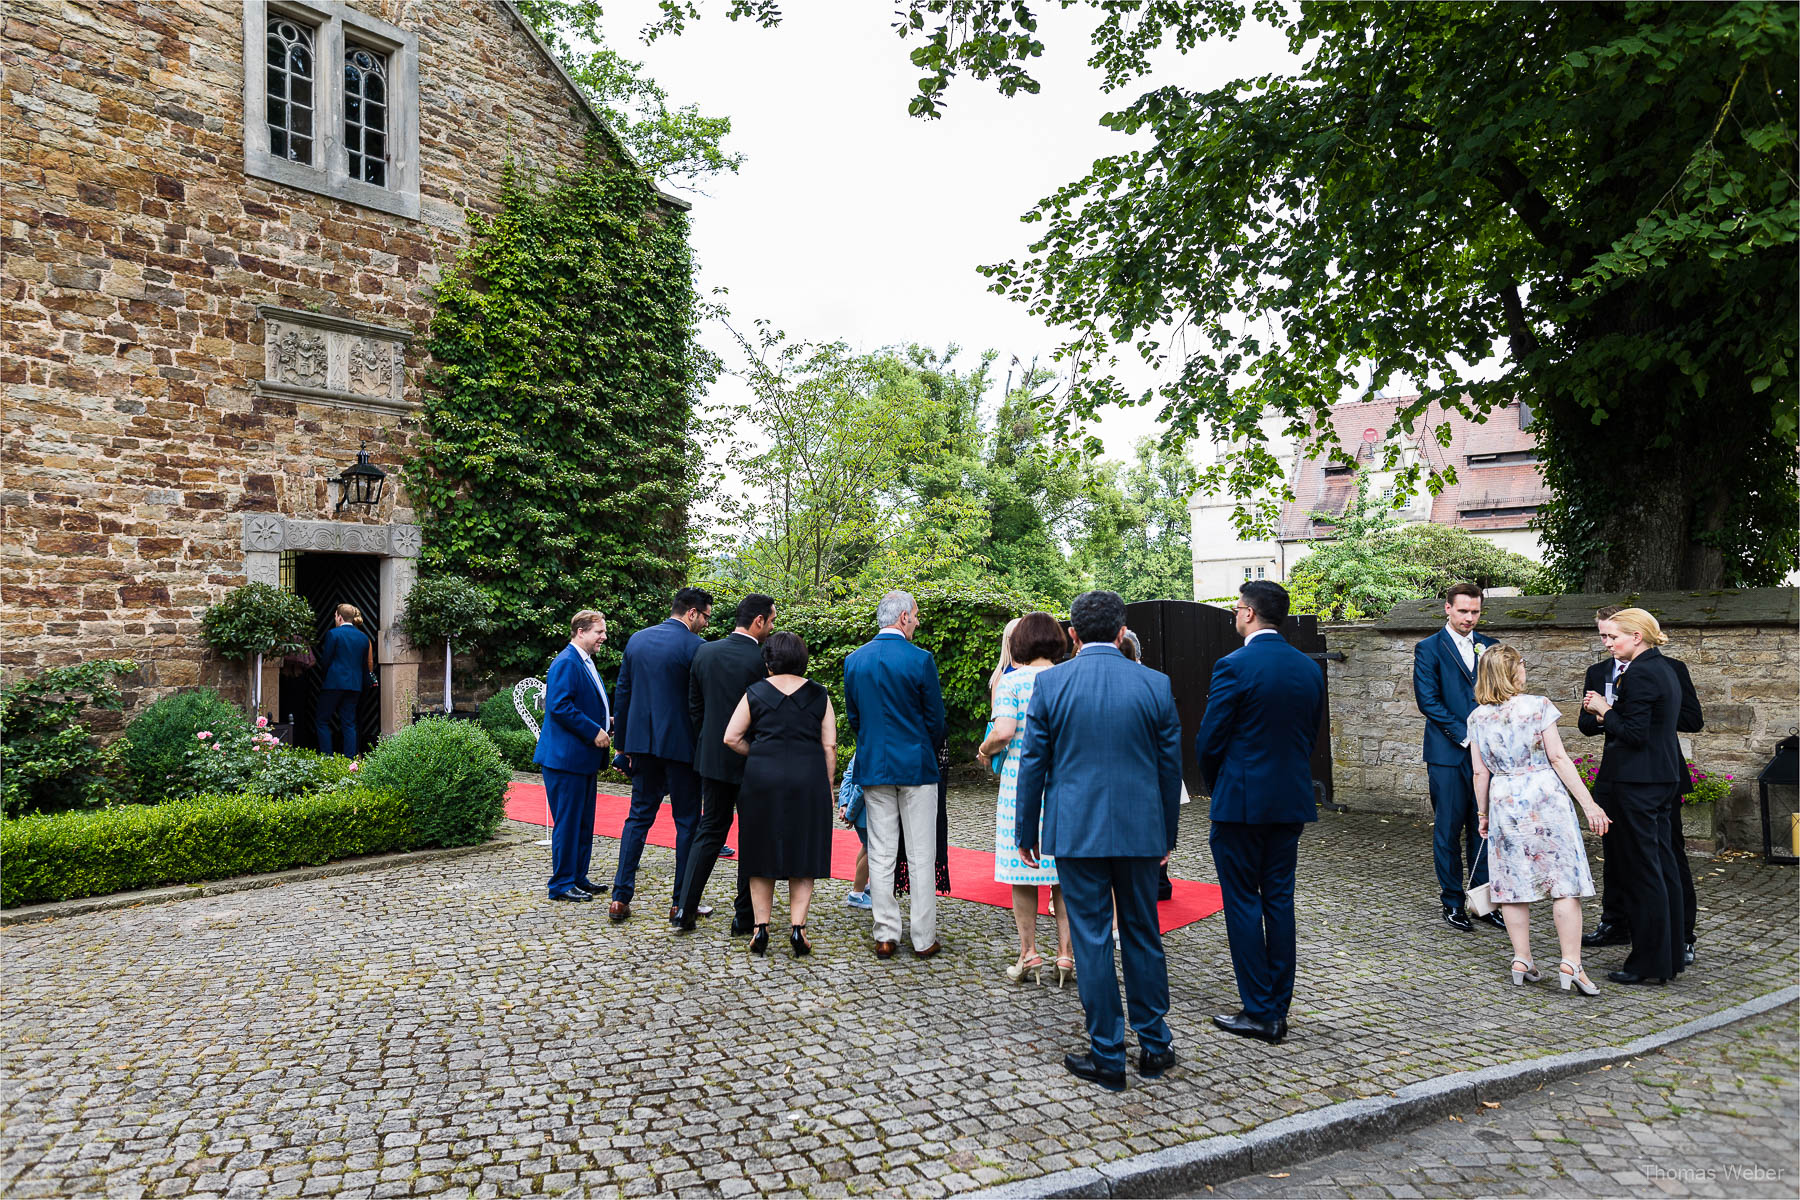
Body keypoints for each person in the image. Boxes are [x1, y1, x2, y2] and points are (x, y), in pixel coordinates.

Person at [1014, 590, 1183, 1091]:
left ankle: (1107, 1052)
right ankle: (1154, 1042)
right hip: (1139, 830)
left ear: (1072, 634)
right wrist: (1167, 834)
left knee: (1090, 937)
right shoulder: (1155, 683)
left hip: (1076, 829)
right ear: (1120, 631)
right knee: (1142, 933)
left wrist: (1027, 831)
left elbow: (1033, 764)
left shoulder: (1051, 684)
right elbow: (1169, 768)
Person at [1195, 581, 1324, 1045]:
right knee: (1279, 900)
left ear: (1249, 614)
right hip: (1290, 799)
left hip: (1241, 803)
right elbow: (1308, 737)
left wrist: (1219, 786)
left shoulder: (1234, 665)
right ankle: (1279, 1006)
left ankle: (1259, 1010)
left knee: (1243, 902)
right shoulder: (1309, 669)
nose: (1234, 615)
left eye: (1236, 609)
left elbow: (1210, 740)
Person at [1468, 644, 1611, 995]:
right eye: (1520, 664)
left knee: (1513, 883)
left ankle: (1522, 958)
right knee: (1562, 881)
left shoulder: (1476, 717)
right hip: (1544, 797)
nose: (1524, 669)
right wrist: (1589, 804)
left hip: (1504, 801)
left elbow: (1478, 772)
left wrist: (1482, 814)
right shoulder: (1538, 706)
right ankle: (1571, 963)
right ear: (1511, 672)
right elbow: (1559, 759)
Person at [1580, 605, 1705, 967]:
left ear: (1636, 636)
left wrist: (1607, 709)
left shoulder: (1648, 672)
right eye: (1604, 636)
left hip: (1642, 778)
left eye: (1613, 636)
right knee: (1644, 864)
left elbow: (1637, 732)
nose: (1607, 644)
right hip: (1637, 776)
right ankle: (1658, 951)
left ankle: (1661, 951)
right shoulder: (1652, 668)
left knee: (1653, 867)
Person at [843, 590, 947, 959]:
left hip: (875, 765)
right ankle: (923, 938)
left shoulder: (854, 661)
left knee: (881, 852)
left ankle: (885, 933)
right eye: (916, 615)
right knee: (921, 853)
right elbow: (936, 721)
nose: (918, 621)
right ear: (903, 617)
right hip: (917, 764)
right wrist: (921, 744)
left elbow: (855, 718)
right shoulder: (921, 660)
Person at [722, 632, 836, 957]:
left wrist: (757, 753)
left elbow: (731, 737)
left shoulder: (754, 692)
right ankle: (798, 929)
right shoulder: (819, 694)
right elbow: (829, 745)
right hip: (808, 779)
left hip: (762, 778)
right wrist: (827, 786)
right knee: (804, 852)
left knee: (760, 851)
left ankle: (761, 927)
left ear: (769, 660)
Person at [977, 612, 1074, 986]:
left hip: (1020, 785)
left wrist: (985, 749)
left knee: (1023, 875)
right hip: (1063, 785)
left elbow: (1004, 730)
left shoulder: (1011, 682)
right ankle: (1065, 955)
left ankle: (1029, 952)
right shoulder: (1068, 678)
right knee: (1063, 875)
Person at [673, 594, 776, 934]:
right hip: (753, 760)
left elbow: (694, 708)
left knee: (708, 832)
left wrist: (711, 743)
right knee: (752, 836)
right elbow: (764, 715)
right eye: (771, 621)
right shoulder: (761, 661)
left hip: (713, 759)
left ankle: (684, 909)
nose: (772, 627)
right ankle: (743, 917)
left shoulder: (704, 651)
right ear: (758, 621)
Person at [608, 587, 712, 923]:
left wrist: (622, 746)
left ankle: (620, 898)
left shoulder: (637, 640)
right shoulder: (696, 648)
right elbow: (701, 705)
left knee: (637, 819)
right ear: (692, 613)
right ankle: (681, 902)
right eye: (706, 617)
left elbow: (622, 694)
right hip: (682, 748)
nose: (706, 625)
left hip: (641, 746)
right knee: (687, 824)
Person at [1413, 582, 1503, 932]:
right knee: (1449, 829)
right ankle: (1452, 901)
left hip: (1489, 757)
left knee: (1484, 829)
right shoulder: (1429, 648)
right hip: (1449, 754)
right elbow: (1428, 701)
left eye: (1475, 612)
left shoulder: (1491, 647)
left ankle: (1483, 902)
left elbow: (1501, 692)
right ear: (1447, 608)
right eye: (1463, 611)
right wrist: (1468, 735)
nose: (1469, 618)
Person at [534, 610, 612, 903]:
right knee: (568, 823)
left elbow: (583, 702)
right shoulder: (566, 662)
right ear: (581, 632)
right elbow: (560, 706)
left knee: (582, 822)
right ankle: (561, 884)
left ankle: (578, 877)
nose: (603, 637)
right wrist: (594, 731)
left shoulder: (583, 661)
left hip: (580, 759)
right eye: (599, 632)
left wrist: (607, 721)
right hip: (564, 760)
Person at [314, 603, 372, 756]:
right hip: (354, 686)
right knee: (349, 724)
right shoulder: (363, 638)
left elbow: (326, 660)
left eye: (335, 616)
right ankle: (350, 761)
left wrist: (324, 678)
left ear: (339, 617)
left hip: (334, 684)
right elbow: (364, 665)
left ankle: (327, 758)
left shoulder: (333, 634)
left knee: (322, 721)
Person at [838, 756, 872, 909]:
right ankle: (856, 893)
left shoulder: (861, 745)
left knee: (866, 846)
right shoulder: (871, 746)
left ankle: (862, 885)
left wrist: (844, 803)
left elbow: (848, 775)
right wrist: (850, 812)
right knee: (873, 850)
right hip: (864, 812)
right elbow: (860, 787)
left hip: (859, 812)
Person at [987, 616, 1021, 700]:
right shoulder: (1001, 673)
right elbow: (995, 707)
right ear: (1007, 641)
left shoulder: (1034, 668)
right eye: (1014, 637)